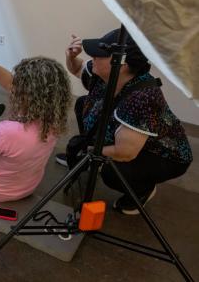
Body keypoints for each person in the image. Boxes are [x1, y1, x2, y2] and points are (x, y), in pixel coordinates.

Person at [60, 29, 193, 215]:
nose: (92, 57)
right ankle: (92, 156)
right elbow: (76, 68)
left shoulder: (143, 97)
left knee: (112, 172)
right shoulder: (104, 73)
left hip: (162, 155)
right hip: (127, 135)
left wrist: (88, 153)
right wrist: (71, 57)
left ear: (121, 63)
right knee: (83, 103)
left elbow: (125, 153)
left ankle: (142, 191)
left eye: (100, 54)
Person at [0, 53, 72, 202]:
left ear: (26, 94)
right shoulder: (54, 120)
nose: (13, 88)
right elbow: (10, 84)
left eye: (19, 86)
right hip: (26, 188)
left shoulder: (9, 131)